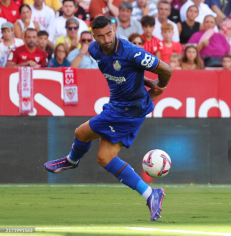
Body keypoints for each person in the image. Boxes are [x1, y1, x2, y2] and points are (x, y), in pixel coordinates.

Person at [44, 16, 173, 222]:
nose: (106, 39)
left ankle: (71, 161)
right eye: (100, 36)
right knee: (104, 157)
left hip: (127, 111)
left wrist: (159, 85)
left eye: (109, 34)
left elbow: (167, 69)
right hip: (117, 106)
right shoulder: (94, 50)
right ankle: (151, 194)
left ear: (114, 29)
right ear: (93, 36)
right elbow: (120, 72)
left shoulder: (132, 52)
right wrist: (144, 81)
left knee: (81, 133)